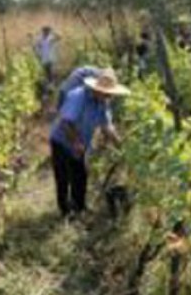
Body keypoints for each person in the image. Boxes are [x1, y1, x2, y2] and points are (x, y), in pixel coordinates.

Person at [49, 68, 130, 218]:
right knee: (63, 177)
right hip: (61, 140)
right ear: (97, 89)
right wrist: (76, 142)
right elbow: (66, 122)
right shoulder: (78, 97)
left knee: (80, 175)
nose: (109, 96)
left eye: (110, 93)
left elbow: (107, 126)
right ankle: (65, 212)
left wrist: (121, 145)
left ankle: (79, 208)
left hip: (78, 143)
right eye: (107, 93)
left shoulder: (103, 103)